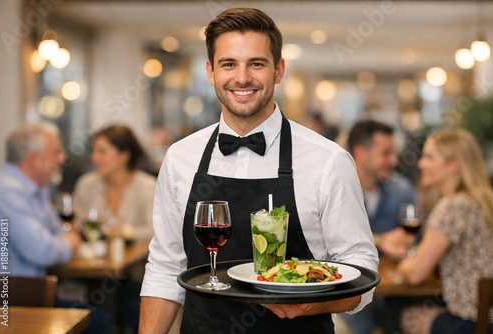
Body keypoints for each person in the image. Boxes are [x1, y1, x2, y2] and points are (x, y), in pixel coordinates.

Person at [139, 7, 378, 334]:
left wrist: (312, 304)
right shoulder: (181, 157)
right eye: (228, 64)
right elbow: (165, 270)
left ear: (279, 70)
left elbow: (362, 271)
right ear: (210, 71)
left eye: (256, 63)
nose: (241, 78)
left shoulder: (328, 161)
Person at [0, 122, 111, 334]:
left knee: (99, 314)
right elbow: (44, 251)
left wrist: (65, 240)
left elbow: (59, 232)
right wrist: (68, 242)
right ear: (32, 158)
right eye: (56, 152)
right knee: (99, 322)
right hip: (8, 301)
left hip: (30, 293)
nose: (63, 159)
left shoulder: (35, 187)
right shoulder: (6, 191)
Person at [398, 129, 493, 334]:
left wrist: (403, 263)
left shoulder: (452, 206)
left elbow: (415, 274)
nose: (421, 163)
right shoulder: (483, 201)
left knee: (404, 316)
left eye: (429, 157)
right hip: (486, 319)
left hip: (471, 323)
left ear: (453, 165)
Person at [72, 124, 157, 333]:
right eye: (93, 151)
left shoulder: (147, 186)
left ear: (124, 155)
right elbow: (75, 225)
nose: (94, 157)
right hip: (92, 268)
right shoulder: (87, 184)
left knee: (125, 294)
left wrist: (122, 232)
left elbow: (154, 230)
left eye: (102, 151)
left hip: (136, 271)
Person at [339, 120, 418, 333]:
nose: (394, 160)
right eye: (386, 153)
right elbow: (330, 241)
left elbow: (420, 240)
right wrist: (382, 240)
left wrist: (406, 243)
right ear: (360, 152)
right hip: (350, 296)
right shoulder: (337, 190)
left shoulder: (402, 190)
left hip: (396, 294)